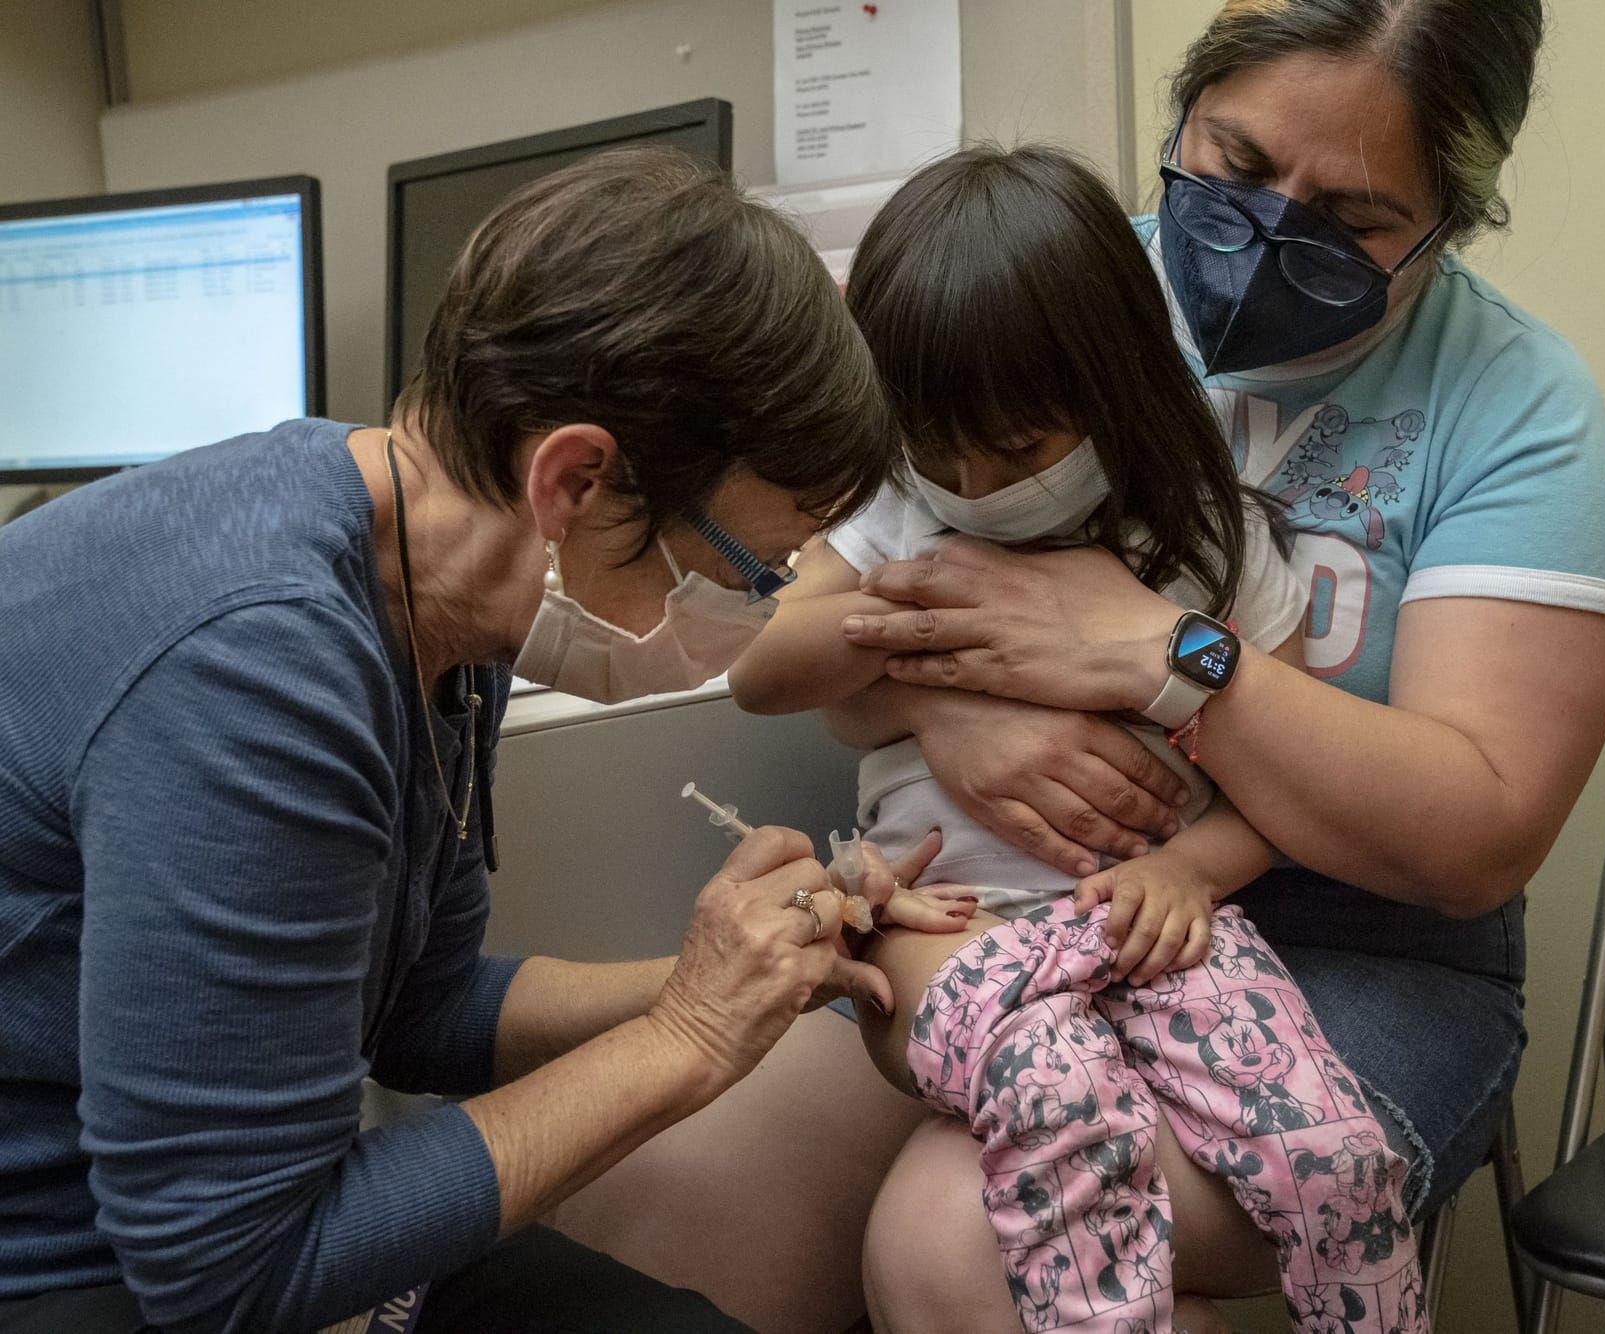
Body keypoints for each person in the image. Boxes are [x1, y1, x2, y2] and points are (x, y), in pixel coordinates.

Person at [0, 146, 949, 1334]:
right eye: (747, 568)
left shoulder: (446, 599)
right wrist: (690, 1034)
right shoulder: (260, 664)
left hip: (229, 1230)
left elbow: (419, 1012)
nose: (756, 609)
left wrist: (746, 976)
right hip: (72, 1264)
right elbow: (230, 1268)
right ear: (575, 479)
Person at [835, 1, 1605, 1327]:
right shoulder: (1045, 289)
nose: (1271, 229)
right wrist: (949, 697)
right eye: (1237, 164)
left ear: (1453, 215)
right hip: (1002, 891)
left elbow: (1475, 837)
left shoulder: (1515, 406)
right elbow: (800, 607)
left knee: (959, 1239)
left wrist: (1166, 651)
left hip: (1358, 945)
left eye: (1354, 217)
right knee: (685, 1181)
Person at [731, 144, 1428, 1333]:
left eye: (1019, 447)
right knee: (1062, 1107)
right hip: (946, 922)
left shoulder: (1200, 539)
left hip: (1151, 927)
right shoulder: (897, 509)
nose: (975, 483)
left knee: (1335, 1160)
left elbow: (1285, 761)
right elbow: (761, 669)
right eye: (937, 444)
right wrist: (924, 644)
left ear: (1113, 388)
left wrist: (1184, 868)